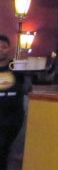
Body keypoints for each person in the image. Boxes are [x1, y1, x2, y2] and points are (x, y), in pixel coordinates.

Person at [0, 35, 25, 169]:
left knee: (3, 151)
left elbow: (27, 89)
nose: (0, 50)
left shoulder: (17, 69)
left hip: (11, 120)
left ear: (9, 49)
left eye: (4, 47)